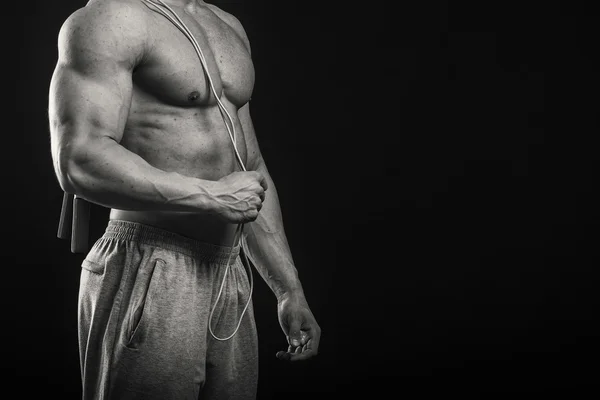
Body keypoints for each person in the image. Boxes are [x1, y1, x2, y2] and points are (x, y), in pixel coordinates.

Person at [48, 0, 321, 398]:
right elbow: (79, 159)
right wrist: (209, 195)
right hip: (151, 264)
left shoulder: (226, 25)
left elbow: (251, 167)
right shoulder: (111, 17)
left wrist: (288, 289)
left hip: (229, 272)